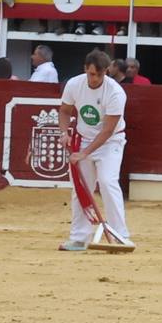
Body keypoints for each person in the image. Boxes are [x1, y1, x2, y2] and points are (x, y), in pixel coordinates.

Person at [59, 47, 134, 252]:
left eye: (99, 75)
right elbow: (65, 111)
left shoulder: (115, 92)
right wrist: (64, 132)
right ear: (85, 69)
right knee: (81, 189)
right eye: (91, 74)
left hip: (110, 142)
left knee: (108, 182)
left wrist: (84, 153)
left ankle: (120, 235)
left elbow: (108, 130)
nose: (94, 79)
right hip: (83, 139)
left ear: (106, 71)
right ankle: (79, 238)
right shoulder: (74, 84)